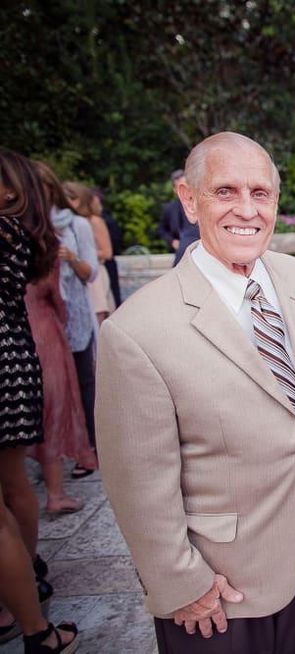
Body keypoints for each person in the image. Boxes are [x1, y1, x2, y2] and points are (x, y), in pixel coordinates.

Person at [95, 132, 295, 653]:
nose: (246, 209)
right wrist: (181, 583)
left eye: (261, 193)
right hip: (216, 588)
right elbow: (136, 481)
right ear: (189, 199)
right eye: (225, 191)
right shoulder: (137, 330)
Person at [0, 147, 80, 653]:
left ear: (10, 189)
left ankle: (29, 618)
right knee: (10, 484)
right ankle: (24, 588)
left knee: (9, 486)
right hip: (13, 355)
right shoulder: (21, 232)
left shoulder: (5, 231)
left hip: (5, 361)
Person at [33, 163, 99, 478]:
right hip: (38, 316)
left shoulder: (76, 225)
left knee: (83, 382)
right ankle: (50, 455)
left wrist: (69, 258)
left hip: (75, 315)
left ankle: (90, 449)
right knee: (46, 388)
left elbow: (92, 273)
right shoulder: (25, 225)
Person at [25, 260, 98, 514]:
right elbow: (57, 299)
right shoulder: (41, 252)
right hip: (43, 331)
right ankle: (55, 493)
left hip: (14, 334)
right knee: (53, 410)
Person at [63, 181, 115, 323]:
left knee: (99, 317)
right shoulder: (67, 223)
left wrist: (81, 255)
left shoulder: (94, 221)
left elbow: (107, 252)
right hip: (77, 275)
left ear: (76, 200)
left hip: (96, 274)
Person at [158, 168, 199, 265]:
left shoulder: (201, 204)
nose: (186, 190)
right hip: (181, 250)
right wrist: (172, 241)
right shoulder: (170, 208)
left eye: (187, 186)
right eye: (181, 187)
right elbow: (161, 229)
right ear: (175, 190)